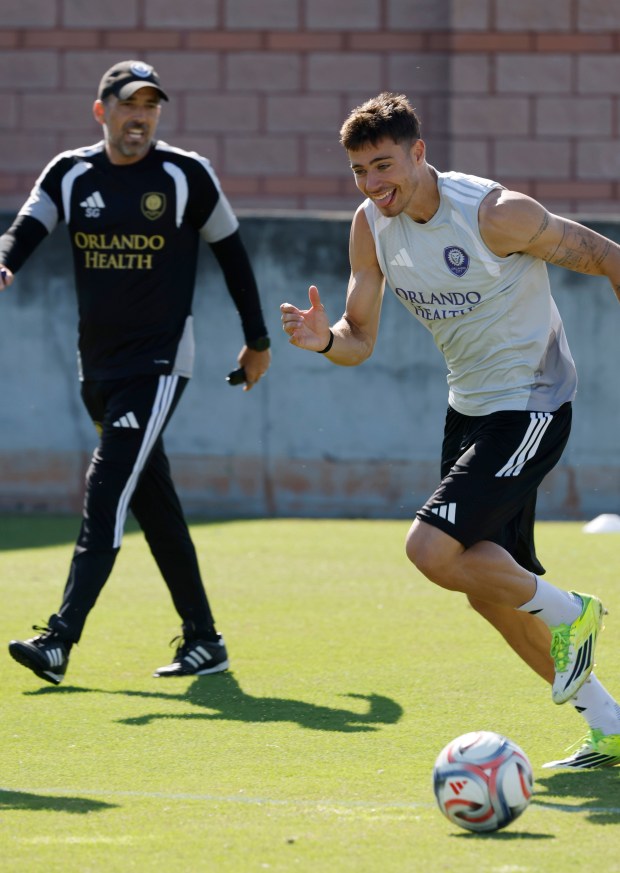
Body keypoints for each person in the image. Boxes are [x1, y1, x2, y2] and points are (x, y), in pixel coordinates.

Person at [280, 92, 620, 770]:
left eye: (383, 165)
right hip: (468, 410)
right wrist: (324, 341)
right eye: (358, 172)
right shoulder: (370, 226)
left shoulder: (496, 215)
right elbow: (360, 339)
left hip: (532, 405)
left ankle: (571, 610)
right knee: (486, 588)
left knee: (430, 550)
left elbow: (610, 257)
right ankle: (609, 724)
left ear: (418, 153)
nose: (373, 185)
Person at [2, 60, 271, 685]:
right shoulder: (70, 174)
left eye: (151, 106)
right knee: (155, 503)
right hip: (96, 368)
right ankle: (205, 640)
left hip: (160, 361)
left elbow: (233, 256)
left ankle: (60, 638)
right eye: (129, 105)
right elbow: (23, 230)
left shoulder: (186, 176)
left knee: (107, 488)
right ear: (102, 111)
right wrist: (6, 264)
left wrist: (257, 340)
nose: (141, 116)